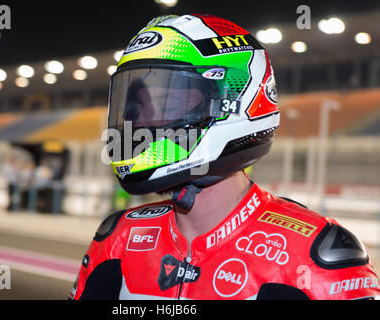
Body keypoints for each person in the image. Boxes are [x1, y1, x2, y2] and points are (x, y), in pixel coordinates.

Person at [69, 14, 379, 300]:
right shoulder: (118, 238)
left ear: (233, 100)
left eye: (168, 101)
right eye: (134, 107)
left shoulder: (320, 258)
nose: (139, 121)